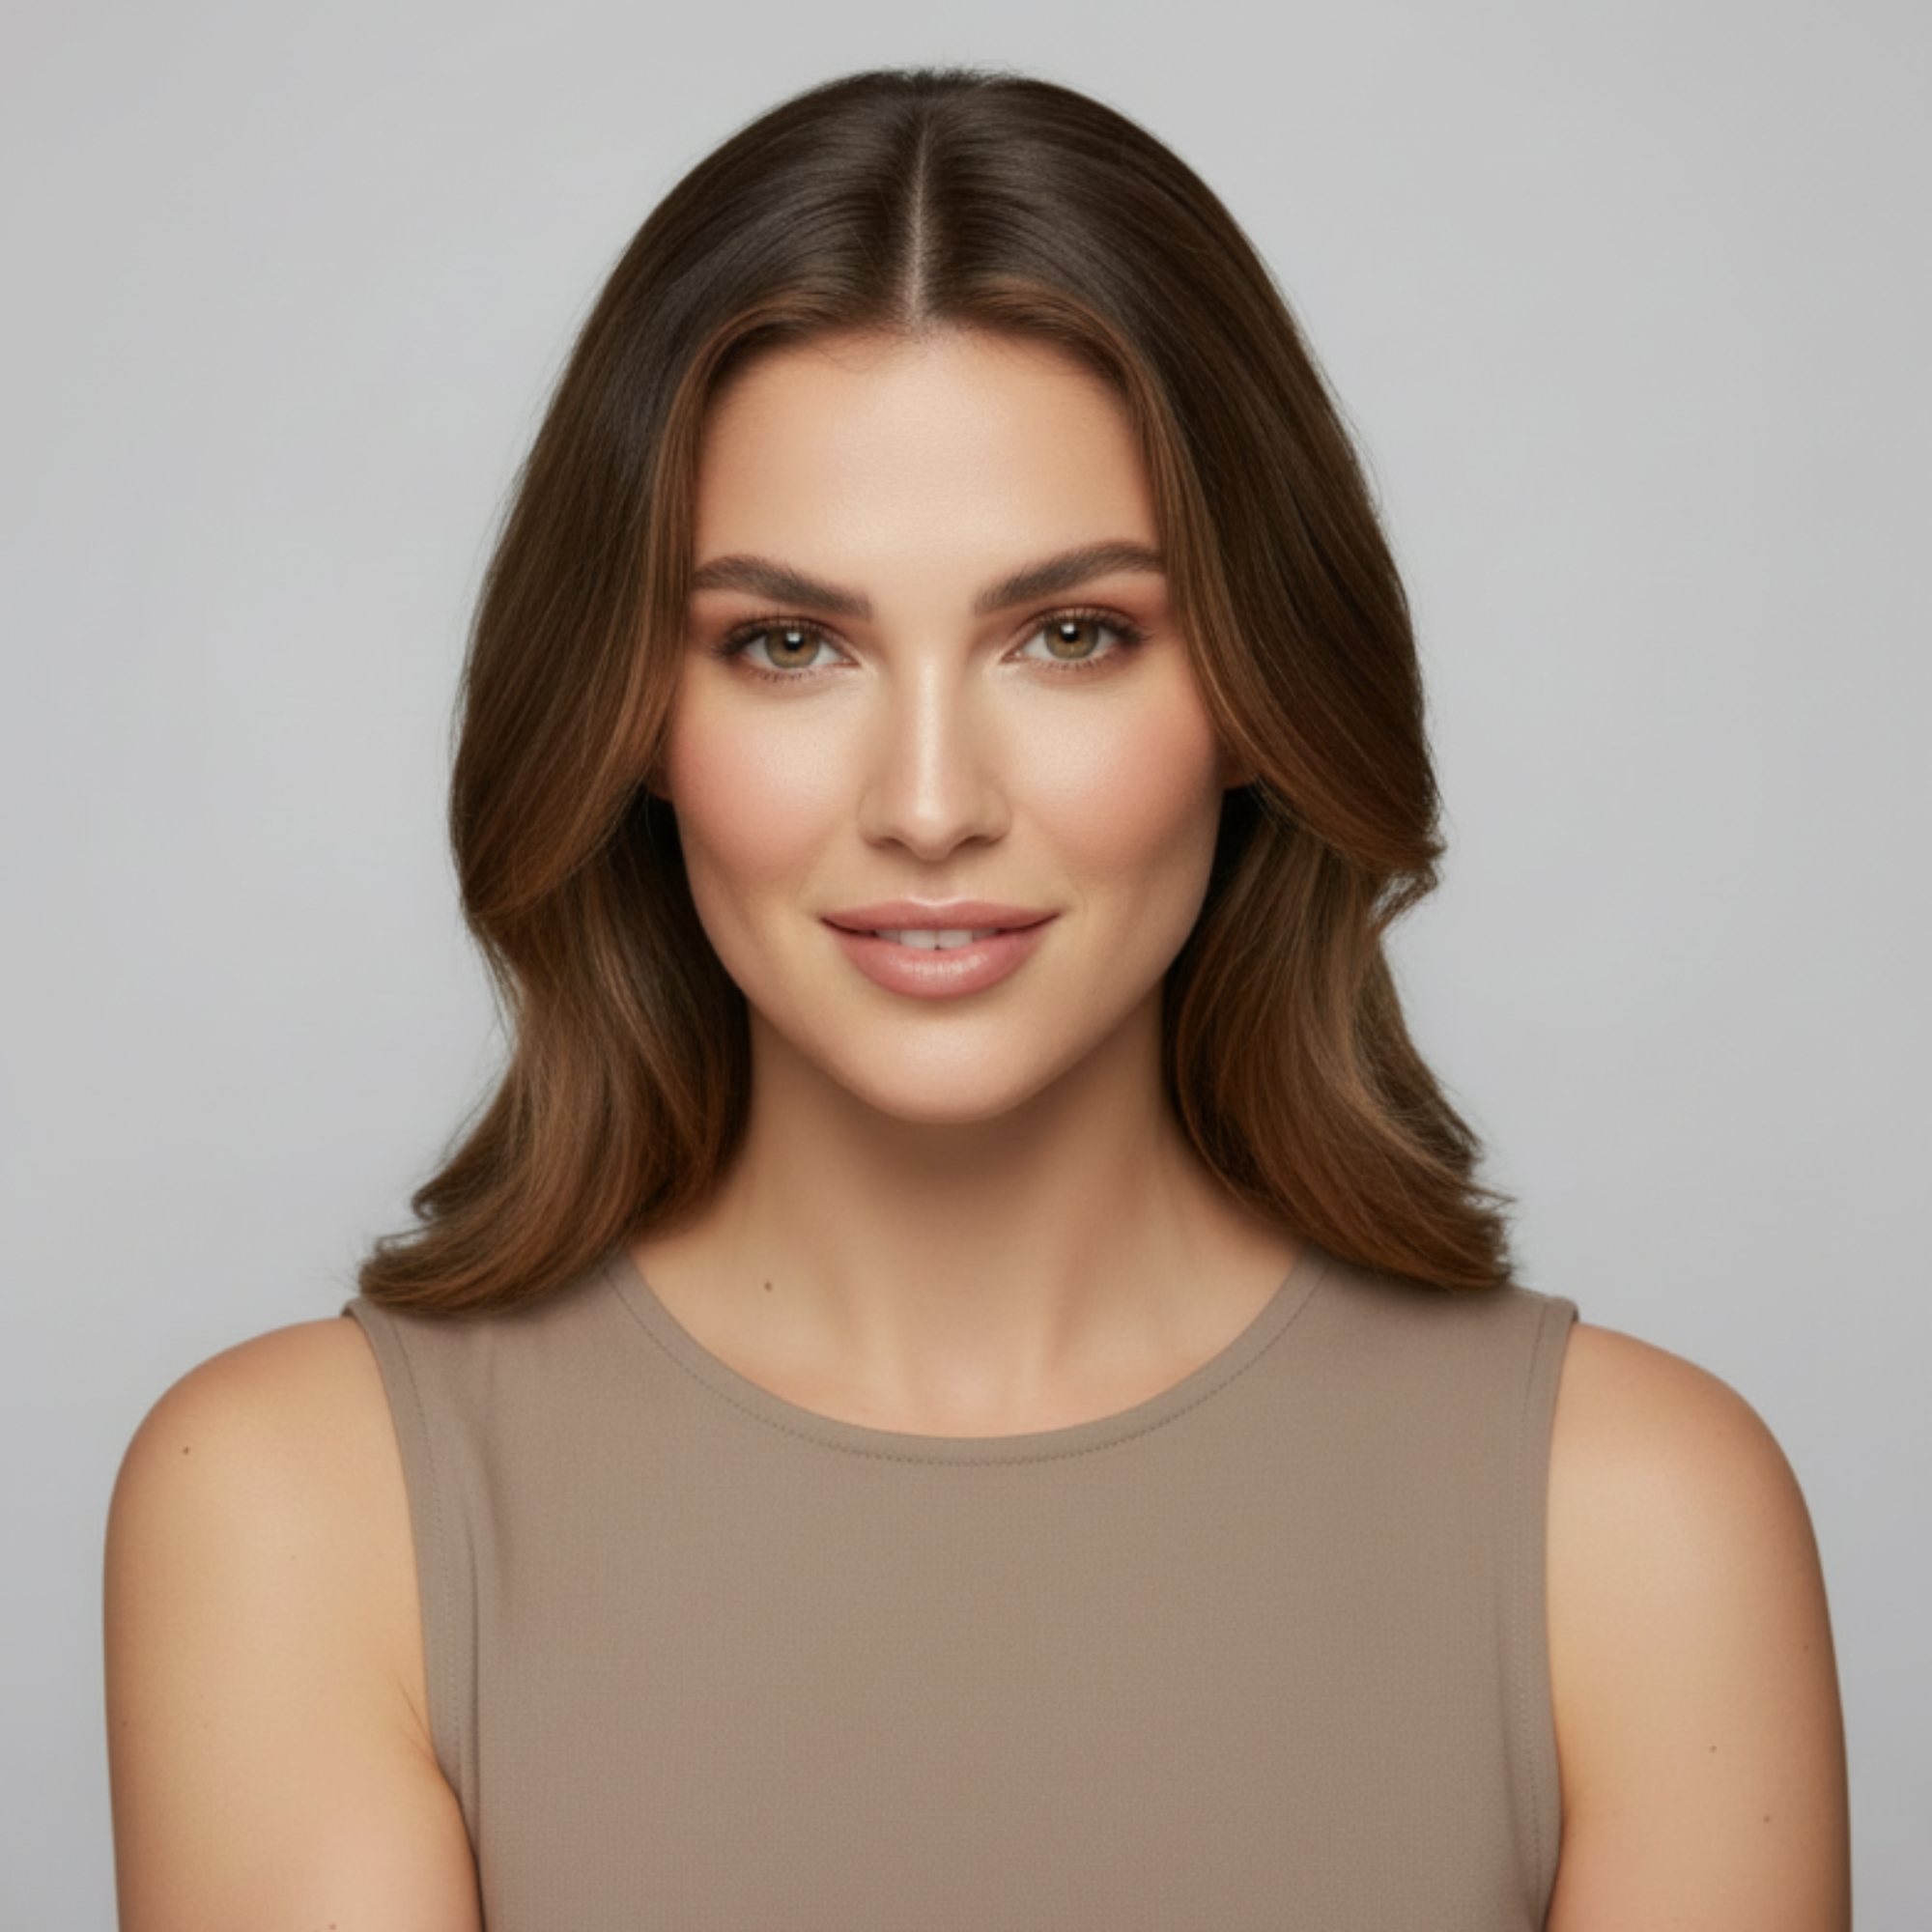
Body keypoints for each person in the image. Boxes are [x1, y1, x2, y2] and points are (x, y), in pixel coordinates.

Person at [103, 68, 1849, 1931]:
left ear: (1255, 693)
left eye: (1072, 635)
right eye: (789, 644)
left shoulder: (1640, 1526)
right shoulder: (297, 1508)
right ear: (635, 723)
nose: (931, 803)